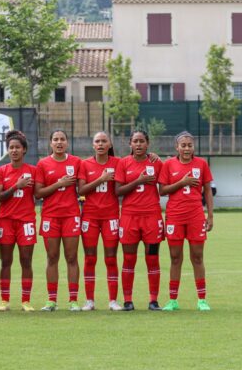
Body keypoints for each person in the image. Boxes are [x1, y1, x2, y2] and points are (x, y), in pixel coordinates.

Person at [158, 131, 213, 311]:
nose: (187, 148)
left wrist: (210, 216)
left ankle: (202, 300)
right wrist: (182, 182)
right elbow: (162, 190)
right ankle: (173, 300)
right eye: (183, 145)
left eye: (190, 145)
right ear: (177, 147)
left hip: (196, 216)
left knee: (197, 257)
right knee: (175, 258)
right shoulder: (169, 165)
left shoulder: (202, 164)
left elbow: (207, 191)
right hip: (175, 216)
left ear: (194, 147)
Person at [114, 129, 163, 312]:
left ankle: (153, 300)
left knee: (152, 259)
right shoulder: (123, 163)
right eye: (135, 141)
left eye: (142, 141)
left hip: (152, 216)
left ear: (147, 143)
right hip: (129, 217)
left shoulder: (156, 162)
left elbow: (165, 185)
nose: (139, 144)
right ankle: (128, 300)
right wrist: (138, 181)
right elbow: (118, 191)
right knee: (129, 259)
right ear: (130, 144)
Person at [34, 130, 82, 311]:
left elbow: (85, 184)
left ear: (67, 143)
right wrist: (58, 184)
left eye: (62, 139)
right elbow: (38, 193)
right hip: (50, 216)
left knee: (71, 257)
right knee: (52, 257)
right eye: (55, 139)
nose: (59, 142)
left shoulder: (77, 162)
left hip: (70, 216)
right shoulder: (43, 164)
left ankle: (73, 300)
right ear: (50, 143)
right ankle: (51, 300)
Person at [77, 132, 122, 311]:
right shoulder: (85, 164)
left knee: (111, 259)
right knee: (90, 259)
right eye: (97, 141)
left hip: (110, 217)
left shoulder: (118, 163)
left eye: (104, 141)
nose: (101, 144)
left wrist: (152, 155)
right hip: (90, 217)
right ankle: (90, 301)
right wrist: (101, 179)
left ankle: (113, 301)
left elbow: (137, 158)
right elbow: (81, 190)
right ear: (93, 145)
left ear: (110, 144)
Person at [0, 130, 37, 312]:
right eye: (11, 148)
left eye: (17, 147)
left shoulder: (33, 171)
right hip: (6, 221)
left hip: (26, 221)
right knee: (5, 261)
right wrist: (16, 186)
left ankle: (26, 301)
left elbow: (39, 193)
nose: (14, 151)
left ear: (24, 150)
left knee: (26, 261)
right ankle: (4, 300)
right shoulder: (1, 171)